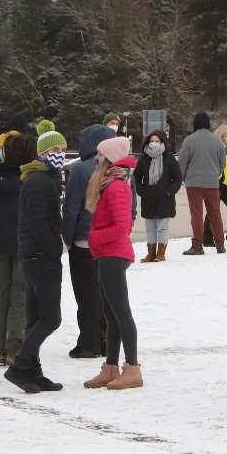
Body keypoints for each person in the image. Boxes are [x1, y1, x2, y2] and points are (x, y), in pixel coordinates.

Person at [5, 121, 66, 394]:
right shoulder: (40, 181)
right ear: (42, 152)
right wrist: (54, 248)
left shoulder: (41, 178)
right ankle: (20, 365)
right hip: (40, 256)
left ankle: (33, 371)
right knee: (50, 318)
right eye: (55, 148)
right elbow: (41, 222)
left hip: (33, 256)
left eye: (64, 148)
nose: (60, 153)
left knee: (34, 318)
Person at [63, 122, 132, 359]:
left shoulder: (82, 170)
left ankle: (88, 342)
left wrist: (68, 238)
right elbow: (130, 209)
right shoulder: (121, 172)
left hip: (85, 240)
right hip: (111, 244)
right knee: (106, 295)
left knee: (86, 294)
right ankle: (105, 340)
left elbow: (71, 209)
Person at [83, 136, 144, 390]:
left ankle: (132, 368)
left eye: (100, 155)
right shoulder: (110, 183)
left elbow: (122, 226)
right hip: (106, 254)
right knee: (110, 314)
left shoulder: (117, 186)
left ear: (110, 159)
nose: (96, 159)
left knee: (121, 313)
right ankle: (110, 367)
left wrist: (94, 237)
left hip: (113, 255)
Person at [0, 133, 33, 365]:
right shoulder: (29, 178)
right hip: (23, 241)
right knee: (20, 294)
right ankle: (15, 344)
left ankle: (1, 346)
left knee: (2, 293)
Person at [176, 111, 227, 255]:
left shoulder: (189, 140)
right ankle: (220, 243)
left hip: (194, 183)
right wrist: (215, 173)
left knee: (196, 214)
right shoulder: (216, 141)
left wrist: (186, 177)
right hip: (212, 182)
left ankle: (197, 245)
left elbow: (182, 162)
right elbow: (222, 162)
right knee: (215, 213)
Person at [134, 129, 182, 262]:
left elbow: (178, 178)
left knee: (162, 227)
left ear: (162, 142)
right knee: (150, 227)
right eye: (152, 141)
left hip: (165, 199)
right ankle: (151, 253)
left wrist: (169, 191)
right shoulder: (144, 159)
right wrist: (141, 191)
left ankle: (161, 253)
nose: (154, 143)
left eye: (157, 141)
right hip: (148, 199)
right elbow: (136, 177)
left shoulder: (169, 158)